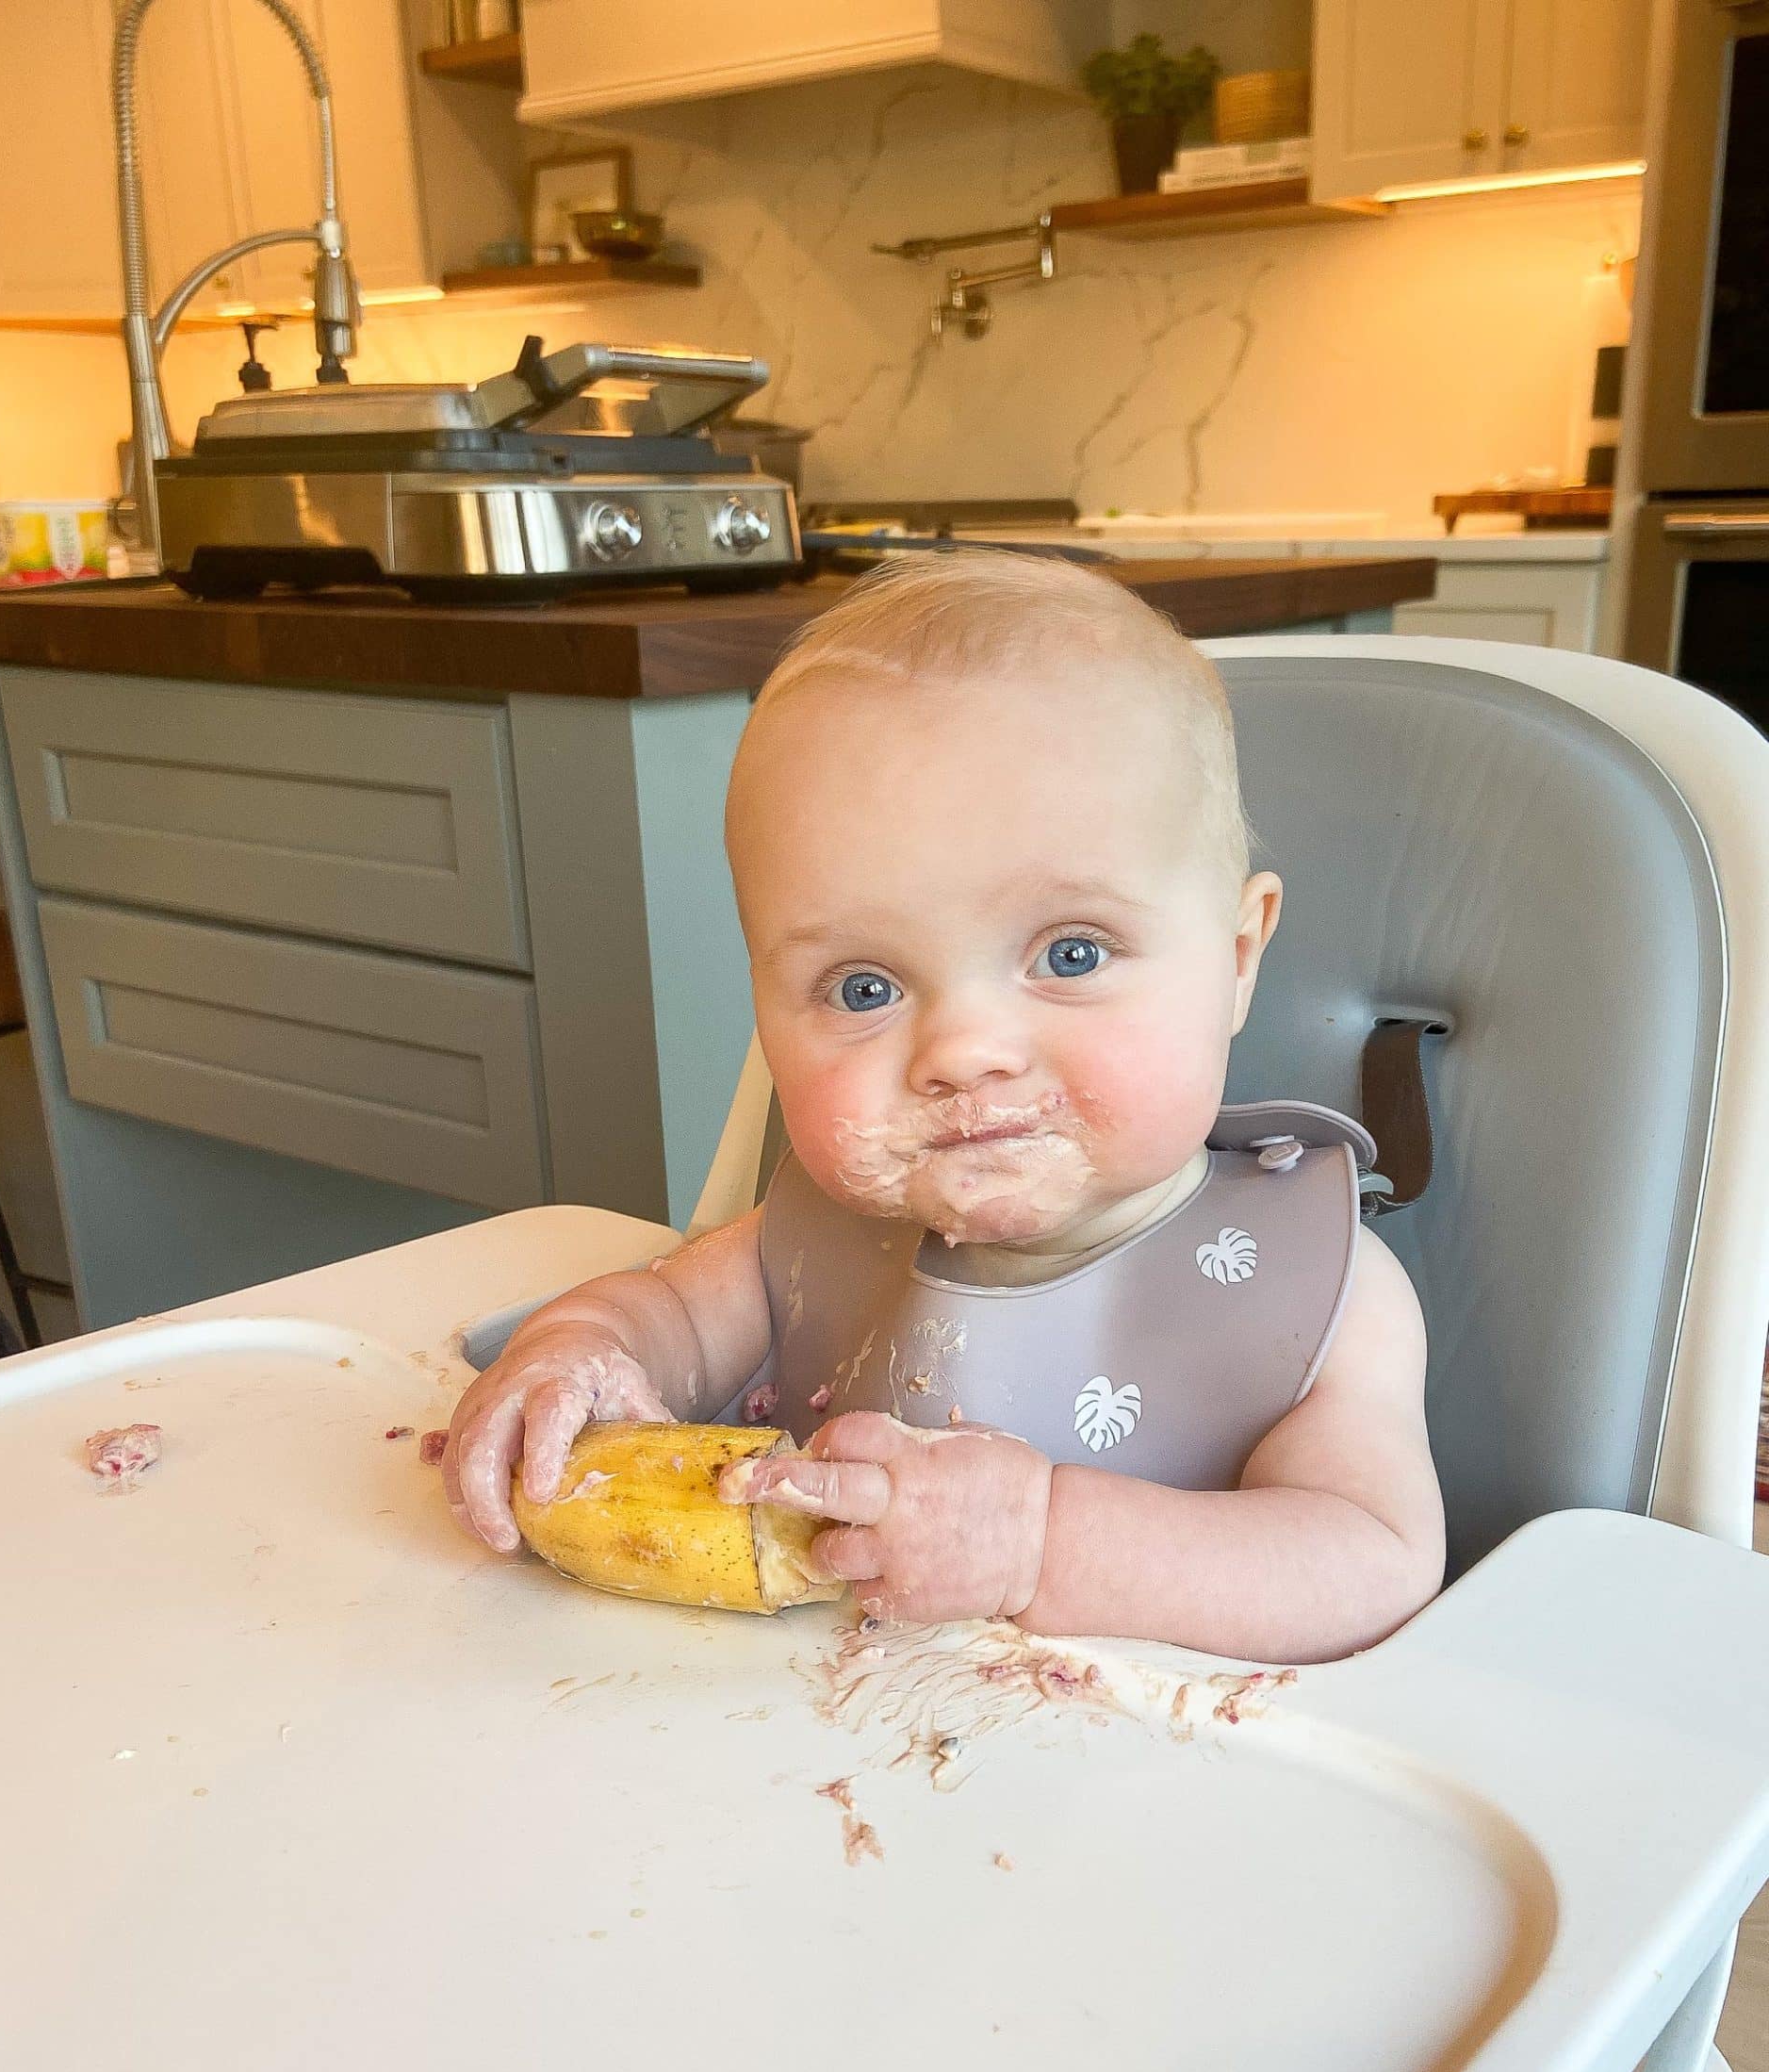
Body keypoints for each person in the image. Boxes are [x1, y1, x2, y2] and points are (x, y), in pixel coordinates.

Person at [444, 552, 1444, 1660]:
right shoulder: (815, 1244)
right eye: (864, 988)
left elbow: (1369, 1562)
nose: (963, 1054)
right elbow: (658, 1319)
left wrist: (1040, 1544)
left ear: (1238, 954)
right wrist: (569, 1350)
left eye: (1071, 952)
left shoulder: (1313, 1295)